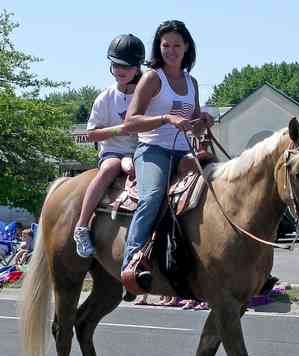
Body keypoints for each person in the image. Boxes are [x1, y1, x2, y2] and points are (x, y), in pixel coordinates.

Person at [121, 20, 213, 290]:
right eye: (165, 45)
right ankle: (132, 260)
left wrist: (202, 120)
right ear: (158, 48)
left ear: (186, 48)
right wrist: (165, 118)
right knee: (152, 196)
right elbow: (130, 122)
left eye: (176, 45)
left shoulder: (191, 81)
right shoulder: (152, 77)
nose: (171, 50)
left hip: (185, 151)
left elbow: (193, 123)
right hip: (153, 150)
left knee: (217, 187)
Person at [73, 34, 145, 258]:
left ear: (137, 67)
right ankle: (82, 226)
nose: (119, 70)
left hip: (140, 149)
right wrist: (121, 129)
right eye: (115, 65)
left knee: (140, 169)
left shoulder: (147, 93)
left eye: (125, 66)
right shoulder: (105, 98)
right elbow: (92, 134)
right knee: (110, 168)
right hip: (113, 150)